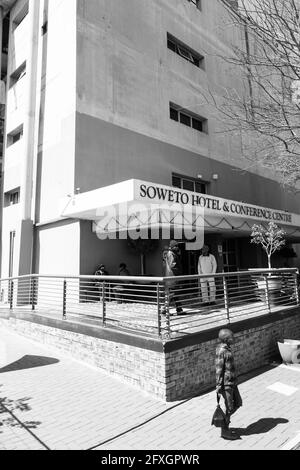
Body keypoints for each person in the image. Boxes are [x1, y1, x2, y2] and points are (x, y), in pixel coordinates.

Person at [215, 329, 243, 440]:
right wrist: (218, 384)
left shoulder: (227, 348)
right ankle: (225, 430)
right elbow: (219, 369)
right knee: (230, 407)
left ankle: (225, 423)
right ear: (226, 339)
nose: (234, 338)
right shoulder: (222, 351)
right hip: (226, 384)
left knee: (238, 403)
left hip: (232, 382)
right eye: (232, 337)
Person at [162, 240, 183, 315]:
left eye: (177, 246)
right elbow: (172, 265)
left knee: (174, 293)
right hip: (172, 276)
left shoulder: (172, 253)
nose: (177, 247)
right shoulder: (171, 254)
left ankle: (179, 309)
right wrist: (179, 273)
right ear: (171, 246)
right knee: (172, 293)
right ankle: (165, 309)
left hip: (171, 276)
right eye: (175, 246)